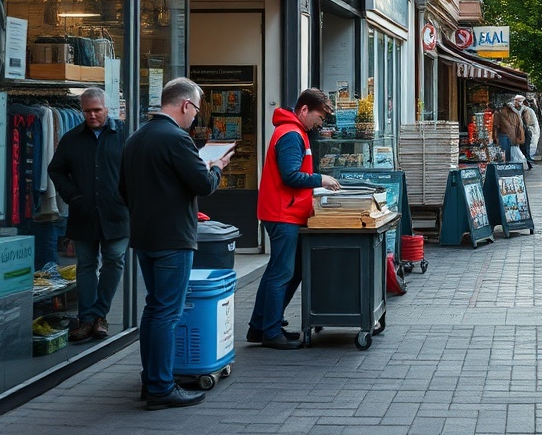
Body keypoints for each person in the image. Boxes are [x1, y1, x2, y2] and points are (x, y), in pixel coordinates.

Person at [120, 77, 230, 410]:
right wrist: (217, 168)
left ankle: (151, 380)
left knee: (154, 310)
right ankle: (161, 387)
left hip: (145, 237)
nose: (195, 117)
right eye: (195, 110)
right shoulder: (177, 139)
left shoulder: (136, 138)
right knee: (167, 313)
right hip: (173, 239)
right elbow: (202, 184)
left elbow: (123, 190)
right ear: (185, 105)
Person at [249, 89, 340, 349]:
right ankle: (270, 332)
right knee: (283, 273)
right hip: (283, 214)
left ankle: (262, 325)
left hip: (283, 211)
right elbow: (290, 175)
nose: (320, 123)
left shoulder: (292, 131)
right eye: (319, 117)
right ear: (303, 110)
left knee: (284, 271)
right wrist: (319, 179)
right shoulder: (291, 134)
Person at [47, 87, 128, 343]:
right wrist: (73, 196)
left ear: (107, 109)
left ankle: (100, 315)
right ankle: (87, 319)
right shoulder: (72, 139)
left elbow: (139, 168)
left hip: (116, 213)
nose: (92, 115)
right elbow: (55, 170)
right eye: (87, 111)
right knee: (86, 266)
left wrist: (128, 197)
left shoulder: (124, 135)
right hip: (83, 214)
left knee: (114, 260)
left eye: (97, 110)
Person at [516, 94, 539, 170]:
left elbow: (530, 121)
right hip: (522, 132)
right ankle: (527, 163)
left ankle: (527, 163)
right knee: (524, 149)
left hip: (525, 132)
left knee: (525, 148)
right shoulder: (519, 110)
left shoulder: (527, 110)